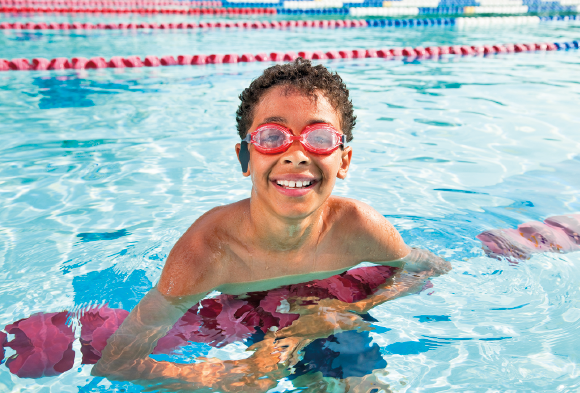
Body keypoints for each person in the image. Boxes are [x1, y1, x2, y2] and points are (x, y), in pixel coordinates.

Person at [91, 58, 452, 392]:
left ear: (344, 161)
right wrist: (229, 375)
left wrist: (343, 311)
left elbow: (429, 268)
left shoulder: (358, 226)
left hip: (328, 312)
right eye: (272, 137)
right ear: (245, 157)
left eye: (320, 138)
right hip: (244, 314)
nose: (295, 155)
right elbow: (117, 364)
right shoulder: (208, 252)